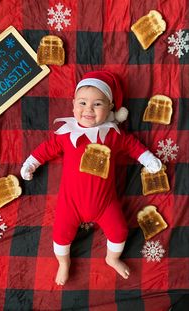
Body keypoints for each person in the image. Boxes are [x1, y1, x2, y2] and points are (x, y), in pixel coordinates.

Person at [20, 70, 162, 285]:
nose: (88, 110)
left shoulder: (112, 134)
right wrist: (30, 163)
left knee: (120, 230)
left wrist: (149, 160)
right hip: (71, 203)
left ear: (111, 108)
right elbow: (46, 149)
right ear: (73, 105)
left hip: (106, 203)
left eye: (97, 104)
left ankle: (112, 258)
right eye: (83, 103)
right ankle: (64, 263)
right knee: (60, 235)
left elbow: (133, 146)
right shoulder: (66, 134)